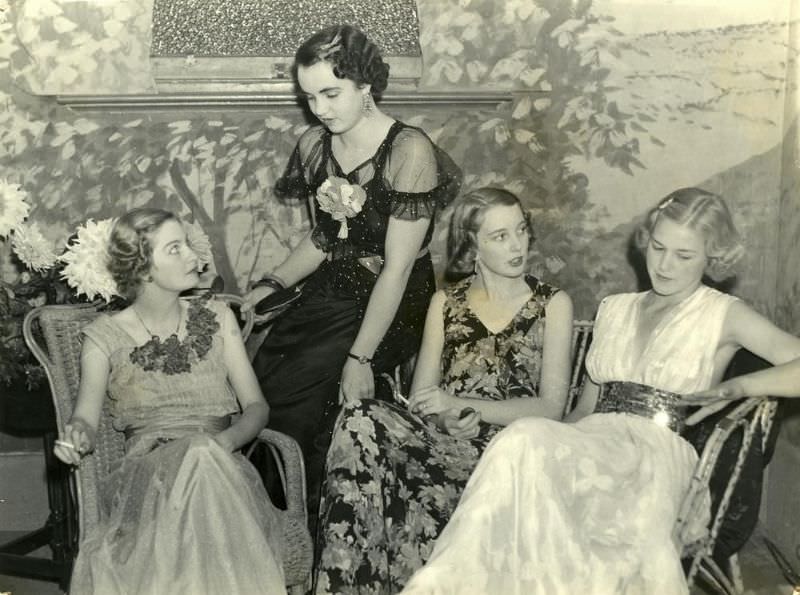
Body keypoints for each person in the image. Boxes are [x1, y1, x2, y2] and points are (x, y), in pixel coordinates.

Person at [401, 187, 800, 595]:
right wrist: (552, 443)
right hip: (595, 444)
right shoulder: (615, 308)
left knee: (606, 538)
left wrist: (742, 385)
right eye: (658, 248)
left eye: (684, 256)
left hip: (656, 456)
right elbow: (582, 412)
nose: (664, 265)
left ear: (711, 257)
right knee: (523, 437)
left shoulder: (723, 312)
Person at [242, 24, 461, 530]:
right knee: (268, 377)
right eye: (309, 96)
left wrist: (359, 357)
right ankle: (271, 534)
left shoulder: (409, 150)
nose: (319, 108)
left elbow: (400, 267)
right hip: (337, 286)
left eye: (331, 93)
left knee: (309, 398)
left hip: (397, 296)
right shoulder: (315, 145)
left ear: (366, 86)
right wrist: (270, 287)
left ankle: (322, 537)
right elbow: (323, 241)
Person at [313, 188, 574, 594]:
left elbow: (552, 407)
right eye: (500, 236)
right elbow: (422, 402)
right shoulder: (445, 303)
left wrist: (462, 405)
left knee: (369, 427)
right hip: (443, 443)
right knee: (360, 416)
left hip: (513, 454)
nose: (517, 245)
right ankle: (346, 585)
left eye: (520, 230)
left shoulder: (552, 305)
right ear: (471, 245)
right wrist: (446, 419)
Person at [53, 208, 286, 595]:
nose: (194, 257)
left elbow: (257, 408)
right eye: (175, 249)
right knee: (197, 461)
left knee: (199, 457)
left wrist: (220, 446)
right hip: (146, 479)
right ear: (143, 268)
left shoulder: (218, 318)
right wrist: (75, 437)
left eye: (188, 245)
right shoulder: (103, 337)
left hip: (218, 466)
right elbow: (85, 422)